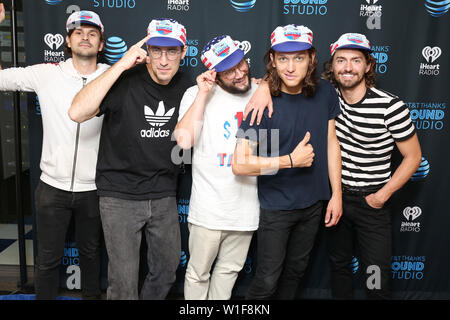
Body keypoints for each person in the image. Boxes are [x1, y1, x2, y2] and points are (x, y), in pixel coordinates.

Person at [69, 18, 192, 300]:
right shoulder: (124, 78)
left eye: (172, 51)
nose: (163, 60)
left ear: (183, 52)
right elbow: (77, 112)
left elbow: (228, 91)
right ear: (146, 50)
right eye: (156, 50)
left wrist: (260, 87)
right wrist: (122, 64)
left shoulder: (188, 84)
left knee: (167, 270)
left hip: (163, 193)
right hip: (119, 195)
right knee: (123, 282)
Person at [0, 10, 108, 299]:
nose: (85, 37)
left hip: (94, 189)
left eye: (92, 33)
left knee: (92, 257)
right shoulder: (47, 73)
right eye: (78, 32)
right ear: (68, 41)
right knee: (46, 261)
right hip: (52, 188)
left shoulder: (113, 77)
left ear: (100, 45)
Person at [232, 24, 342, 299]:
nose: (290, 67)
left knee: (296, 274)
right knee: (267, 282)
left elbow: (331, 142)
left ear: (311, 59)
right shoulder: (260, 105)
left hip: (314, 203)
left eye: (298, 58)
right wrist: (290, 161)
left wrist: (336, 194)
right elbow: (239, 163)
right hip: (277, 206)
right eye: (283, 58)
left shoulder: (326, 92)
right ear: (272, 61)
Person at [321, 33, 421, 299]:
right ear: (332, 67)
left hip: (372, 201)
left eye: (356, 60)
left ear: (368, 66)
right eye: (340, 60)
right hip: (337, 197)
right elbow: (281, 83)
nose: (348, 67)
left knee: (376, 275)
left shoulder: (390, 106)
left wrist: (381, 196)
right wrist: (261, 87)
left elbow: (413, 157)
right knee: (339, 267)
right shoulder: (327, 99)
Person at [174, 35, 259, 300]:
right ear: (215, 74)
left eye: (241, 64)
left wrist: (265, 86)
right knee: (198, 273)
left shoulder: (260, 91)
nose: (239, 74)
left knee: (229, 272)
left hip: (245, 208)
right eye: (228, 71)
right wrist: (203, 93)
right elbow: (184, 141)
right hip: (208, 209)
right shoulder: (195, 94)